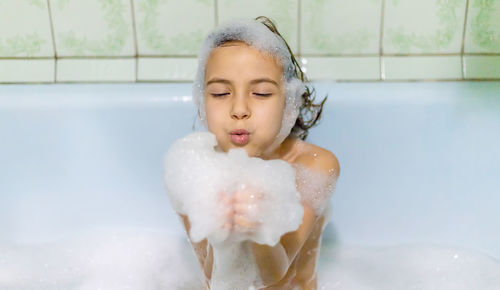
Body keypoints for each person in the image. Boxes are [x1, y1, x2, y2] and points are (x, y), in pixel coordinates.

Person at [177, 16, 340, 289]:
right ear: (202, 100)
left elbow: (277, 273)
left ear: (288, 100)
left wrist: (259, 226)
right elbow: (212, 276)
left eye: (261, 93)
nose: (239, 109)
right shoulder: (192, 169)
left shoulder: (314, 167)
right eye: (219, 93)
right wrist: (221, 231)